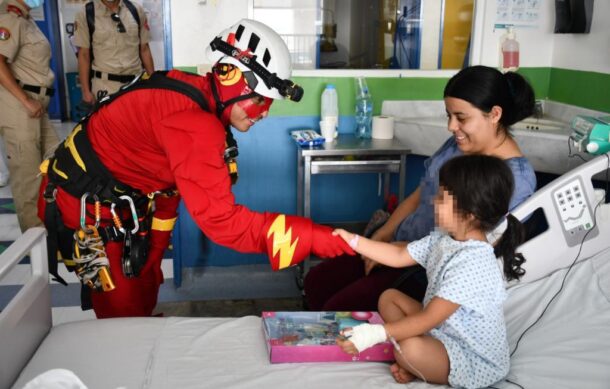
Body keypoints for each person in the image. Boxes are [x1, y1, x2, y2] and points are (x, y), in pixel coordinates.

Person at [37, 19, 354, 319]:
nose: (265, 113)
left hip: (123, 201)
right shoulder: (196, 125)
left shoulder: (196, 93)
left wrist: (156, 252)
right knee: (122, 315)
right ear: (232, 78)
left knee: (145, 288)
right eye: (260, 99)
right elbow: (223, 223)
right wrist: (314, 237)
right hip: (84, 207)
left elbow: (168, 184)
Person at [304, 65, 537, 311]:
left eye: (461, 117)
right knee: (317, 282)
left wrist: (393, 252)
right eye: (449, 115)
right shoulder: (459, 145)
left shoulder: (516, 180)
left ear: (495, 114)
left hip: (424, 271)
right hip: (396, 244)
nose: (451, 126)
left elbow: (473, 252)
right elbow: (420, 196)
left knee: (339, 307)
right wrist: (383, 235)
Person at [334, 154, 527, 388]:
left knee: (409, 349)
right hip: (444, 329)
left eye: (442, 198)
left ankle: (417, 363)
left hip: (470, 356)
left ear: (468, 214)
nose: (434, 202)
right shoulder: (446, 239)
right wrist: (353, 241)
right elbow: (398, 255)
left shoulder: (473, 264)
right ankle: (420, 360)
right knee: (389, 298)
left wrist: (373, 334)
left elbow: (427, 319)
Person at [0, 0, 60, 231]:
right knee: (28, 176)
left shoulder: (26, 19)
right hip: (20, 105)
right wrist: (25, 100)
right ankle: (36, 240)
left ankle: (52, 221)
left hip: (36, 106)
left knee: (57, 159)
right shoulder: (9, 17)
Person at [74, 0, 154, 105]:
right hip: (104, 86)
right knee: (108, 121)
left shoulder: (136, 10)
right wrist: (85, 91)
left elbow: (144, 49)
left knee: (137, 121)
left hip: (135, 84)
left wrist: (153, 81)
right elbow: (84, 55)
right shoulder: (86, 12)